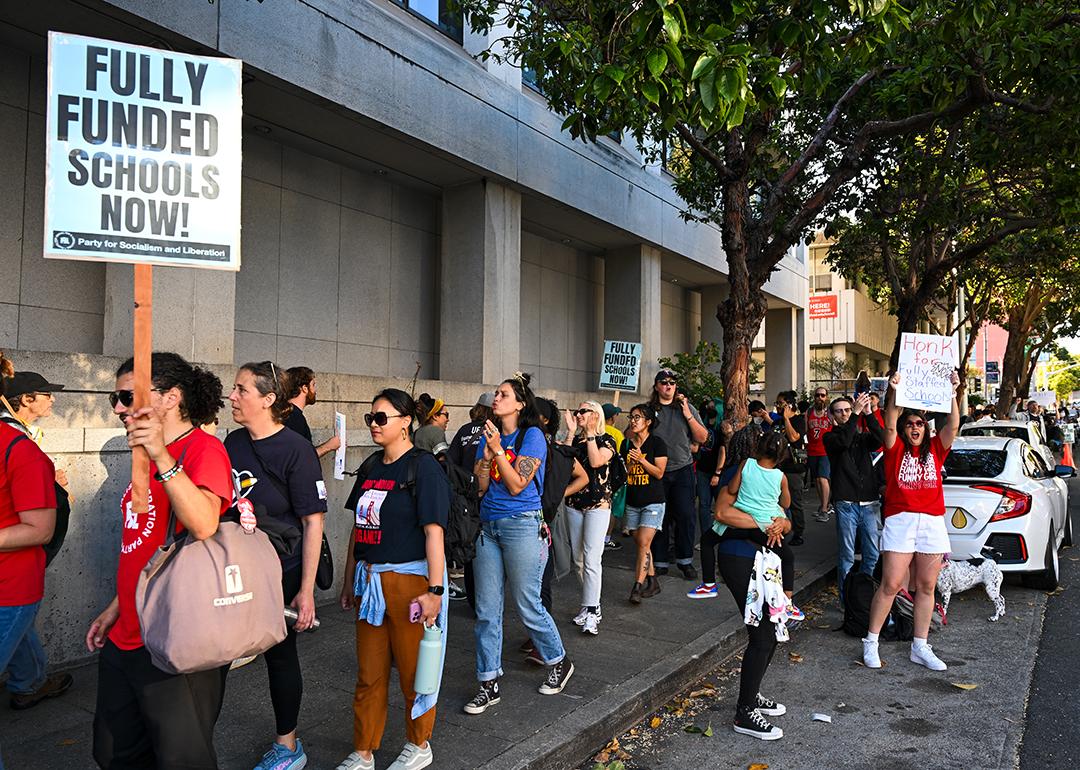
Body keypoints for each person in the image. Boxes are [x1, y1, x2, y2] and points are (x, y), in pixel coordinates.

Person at [88, 352, 233, 768]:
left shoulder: (202, 450)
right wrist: (115, 607)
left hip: (177, 637)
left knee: (180, 758)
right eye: (113, 398)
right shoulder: (144, 456)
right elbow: (145, 546)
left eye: (127, 396)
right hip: (128, 631)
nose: (118, 407)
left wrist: (164, 458)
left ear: (170, 397)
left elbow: (204, 523)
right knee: (114, 751)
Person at [336, 388, 448, 770]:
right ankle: (363, 749)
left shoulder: (423, 468)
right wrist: (349, 577)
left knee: (416, 672)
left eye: (381, 418)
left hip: (410, 585)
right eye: (370, 418)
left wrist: (435, 591)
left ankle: (419, 744)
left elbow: (435, 532)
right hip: (370, 586)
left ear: (405, 423)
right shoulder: (371, 466)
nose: (373, 425)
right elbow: (357, 527)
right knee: (369, 672)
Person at [225, 361, 327, 770]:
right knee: (217, 655)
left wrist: (305, 591)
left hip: (280, 569)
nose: (232, 397)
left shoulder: (296, 449)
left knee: (280, 656)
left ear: (268, 400)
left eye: (241, 390)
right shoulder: (232, 441)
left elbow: (313, 522)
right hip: (235, 567)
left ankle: (288, 747)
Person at [465, 373, 574, 714]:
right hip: (488, 525)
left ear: (520, 404)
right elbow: (483, 487)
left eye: (503, 394)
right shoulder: (492, 436)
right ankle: (488, 681)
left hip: (522, 524)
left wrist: (497, 451)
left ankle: (558, 660)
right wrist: (484, 459)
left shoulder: (533, 437)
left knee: (527, 602)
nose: (495, 399)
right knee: (486, 609)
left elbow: (517, 485)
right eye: (496, 394)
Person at [862, 370, 961, 673]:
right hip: (901, 520)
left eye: (919, 423)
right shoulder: (894, 450)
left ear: (925, 428)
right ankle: (870, 642)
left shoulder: (935, 449)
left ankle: (920, 645)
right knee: (891, 584)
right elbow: (889, 422)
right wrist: (894, 392)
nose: (915, 427)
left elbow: (954, 425)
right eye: (910, 424)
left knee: (927, 585)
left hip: (931, 522)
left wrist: (954, 392)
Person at [0, 353, 66, 736]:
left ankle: (29, 682)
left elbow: (40, 528)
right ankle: (29, 682)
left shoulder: (20, 448)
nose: (53, 401)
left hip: (13, 584)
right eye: (45, 394)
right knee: (21, 632)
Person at [711, 472, 792, 741]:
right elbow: (721, 513)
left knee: (771, 633)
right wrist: (765, 522)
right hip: (739, 558)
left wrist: (781, 522)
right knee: (762, 635)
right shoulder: (737, 476)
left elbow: (785, 511)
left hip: (763, 560)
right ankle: (744, 713)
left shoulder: (766, 478)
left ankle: (751, 695)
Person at [711, 432, 801, 620]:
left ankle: (707, 582)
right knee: (788, 557)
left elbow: (786, 522)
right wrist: (769, 522)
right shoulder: (778, 476)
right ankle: (788, 602)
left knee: (763, 625)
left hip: (759, 545)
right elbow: (721, 513)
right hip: (744, 554)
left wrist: (782, 524)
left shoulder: (745, 467)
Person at [1, 369, 75, 566]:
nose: (53, 400)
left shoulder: (22, 431)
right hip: (15, 552)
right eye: (47, 394)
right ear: (26, 399)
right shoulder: (13, 434)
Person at [562, 401, 618, 634]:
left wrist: (592, 434)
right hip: (574, 503)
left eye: (584, 411)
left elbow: (596, 462)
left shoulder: (607, 440)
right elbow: (563, 463)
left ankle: (592, 610)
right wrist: (571, 433)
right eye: (578, 410)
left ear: (596, 415)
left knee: (592, 558)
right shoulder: (575, 440)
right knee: (578, 559)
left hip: (598, 505)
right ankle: (590, 602)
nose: (578, 414)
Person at [647, 369, 708, 579]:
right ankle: (661, 561)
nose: (668, 386)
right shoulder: (649, 410)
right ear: (656, 386)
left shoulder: (685, 408)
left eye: (672, 382)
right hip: (657, 471)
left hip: (682, 469)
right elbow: (632, 434)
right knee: (658, 517)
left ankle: (685, 561)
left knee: (686, 516)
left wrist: (687, 414)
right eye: (663, 382)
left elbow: (702, 437)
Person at [823, 394, 884, 601]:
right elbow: (844, 441)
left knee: (872, 554)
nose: (844, 414)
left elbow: (881, 439)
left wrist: (869, 414)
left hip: (869, 503)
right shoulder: (830, 437)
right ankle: (846, 600)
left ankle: (864, 596)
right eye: (839, 411)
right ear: (832, 416)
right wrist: (856, 415)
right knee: (847, 556)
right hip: (846, 503)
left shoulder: (862, 437)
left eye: (847, 410)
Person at [445, 391, 495, 604]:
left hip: (465, 496)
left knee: (470, 544)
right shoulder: (496, 432)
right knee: (487, 548)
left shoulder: (464, 430)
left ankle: (473, 598)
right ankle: (486, 600)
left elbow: (450, 462)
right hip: (487, 494)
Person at [621, 404, 668, 604]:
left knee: (644, 543)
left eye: (638, 417)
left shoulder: (657, 443)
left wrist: (641, 459)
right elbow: (625, 473)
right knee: (641, 542)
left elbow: (659, 472)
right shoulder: (625, 444)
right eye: (631, 417)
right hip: (633, 502)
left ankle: (637, 587)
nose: (633, 420)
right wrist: (631, 463)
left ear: (648, 422)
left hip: (653, 502)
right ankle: (653, 580)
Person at [771, 392, 807, 546]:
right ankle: (781, 529)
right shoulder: (776, 423)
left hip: (793, 468)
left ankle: (798, 532)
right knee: (777, 502)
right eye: (777, 403)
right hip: (777, 468)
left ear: (789, 405)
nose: (777, 406)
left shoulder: (798, 420)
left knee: (794, 502)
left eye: (780, 403)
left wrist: (786, 418)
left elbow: (794, 438)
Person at [283, 366, 342, 458]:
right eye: (313, 385)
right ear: (304, 388)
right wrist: (328, 446)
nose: (315, 391)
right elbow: (300, 458)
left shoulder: (286, 414)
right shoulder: (294, 418)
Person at [805, 387, 833, 522]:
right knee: (816, 480)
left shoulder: (830, 413)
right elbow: (805, 430)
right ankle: (824, 504)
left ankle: (824, 510)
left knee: (823, 478)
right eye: (817, 395)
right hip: (812, 450)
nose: (820, 398)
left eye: (822, 395)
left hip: (826, 450)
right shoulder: (809, 412)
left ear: (826, 397)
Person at [601, 403, 625, 552]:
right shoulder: (616, 434)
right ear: (611, 417)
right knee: (612, 509)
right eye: (616, 414)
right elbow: (622, 454)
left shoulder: (595, 430)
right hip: (613, 476)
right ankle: (606, 538)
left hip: (598, 477)